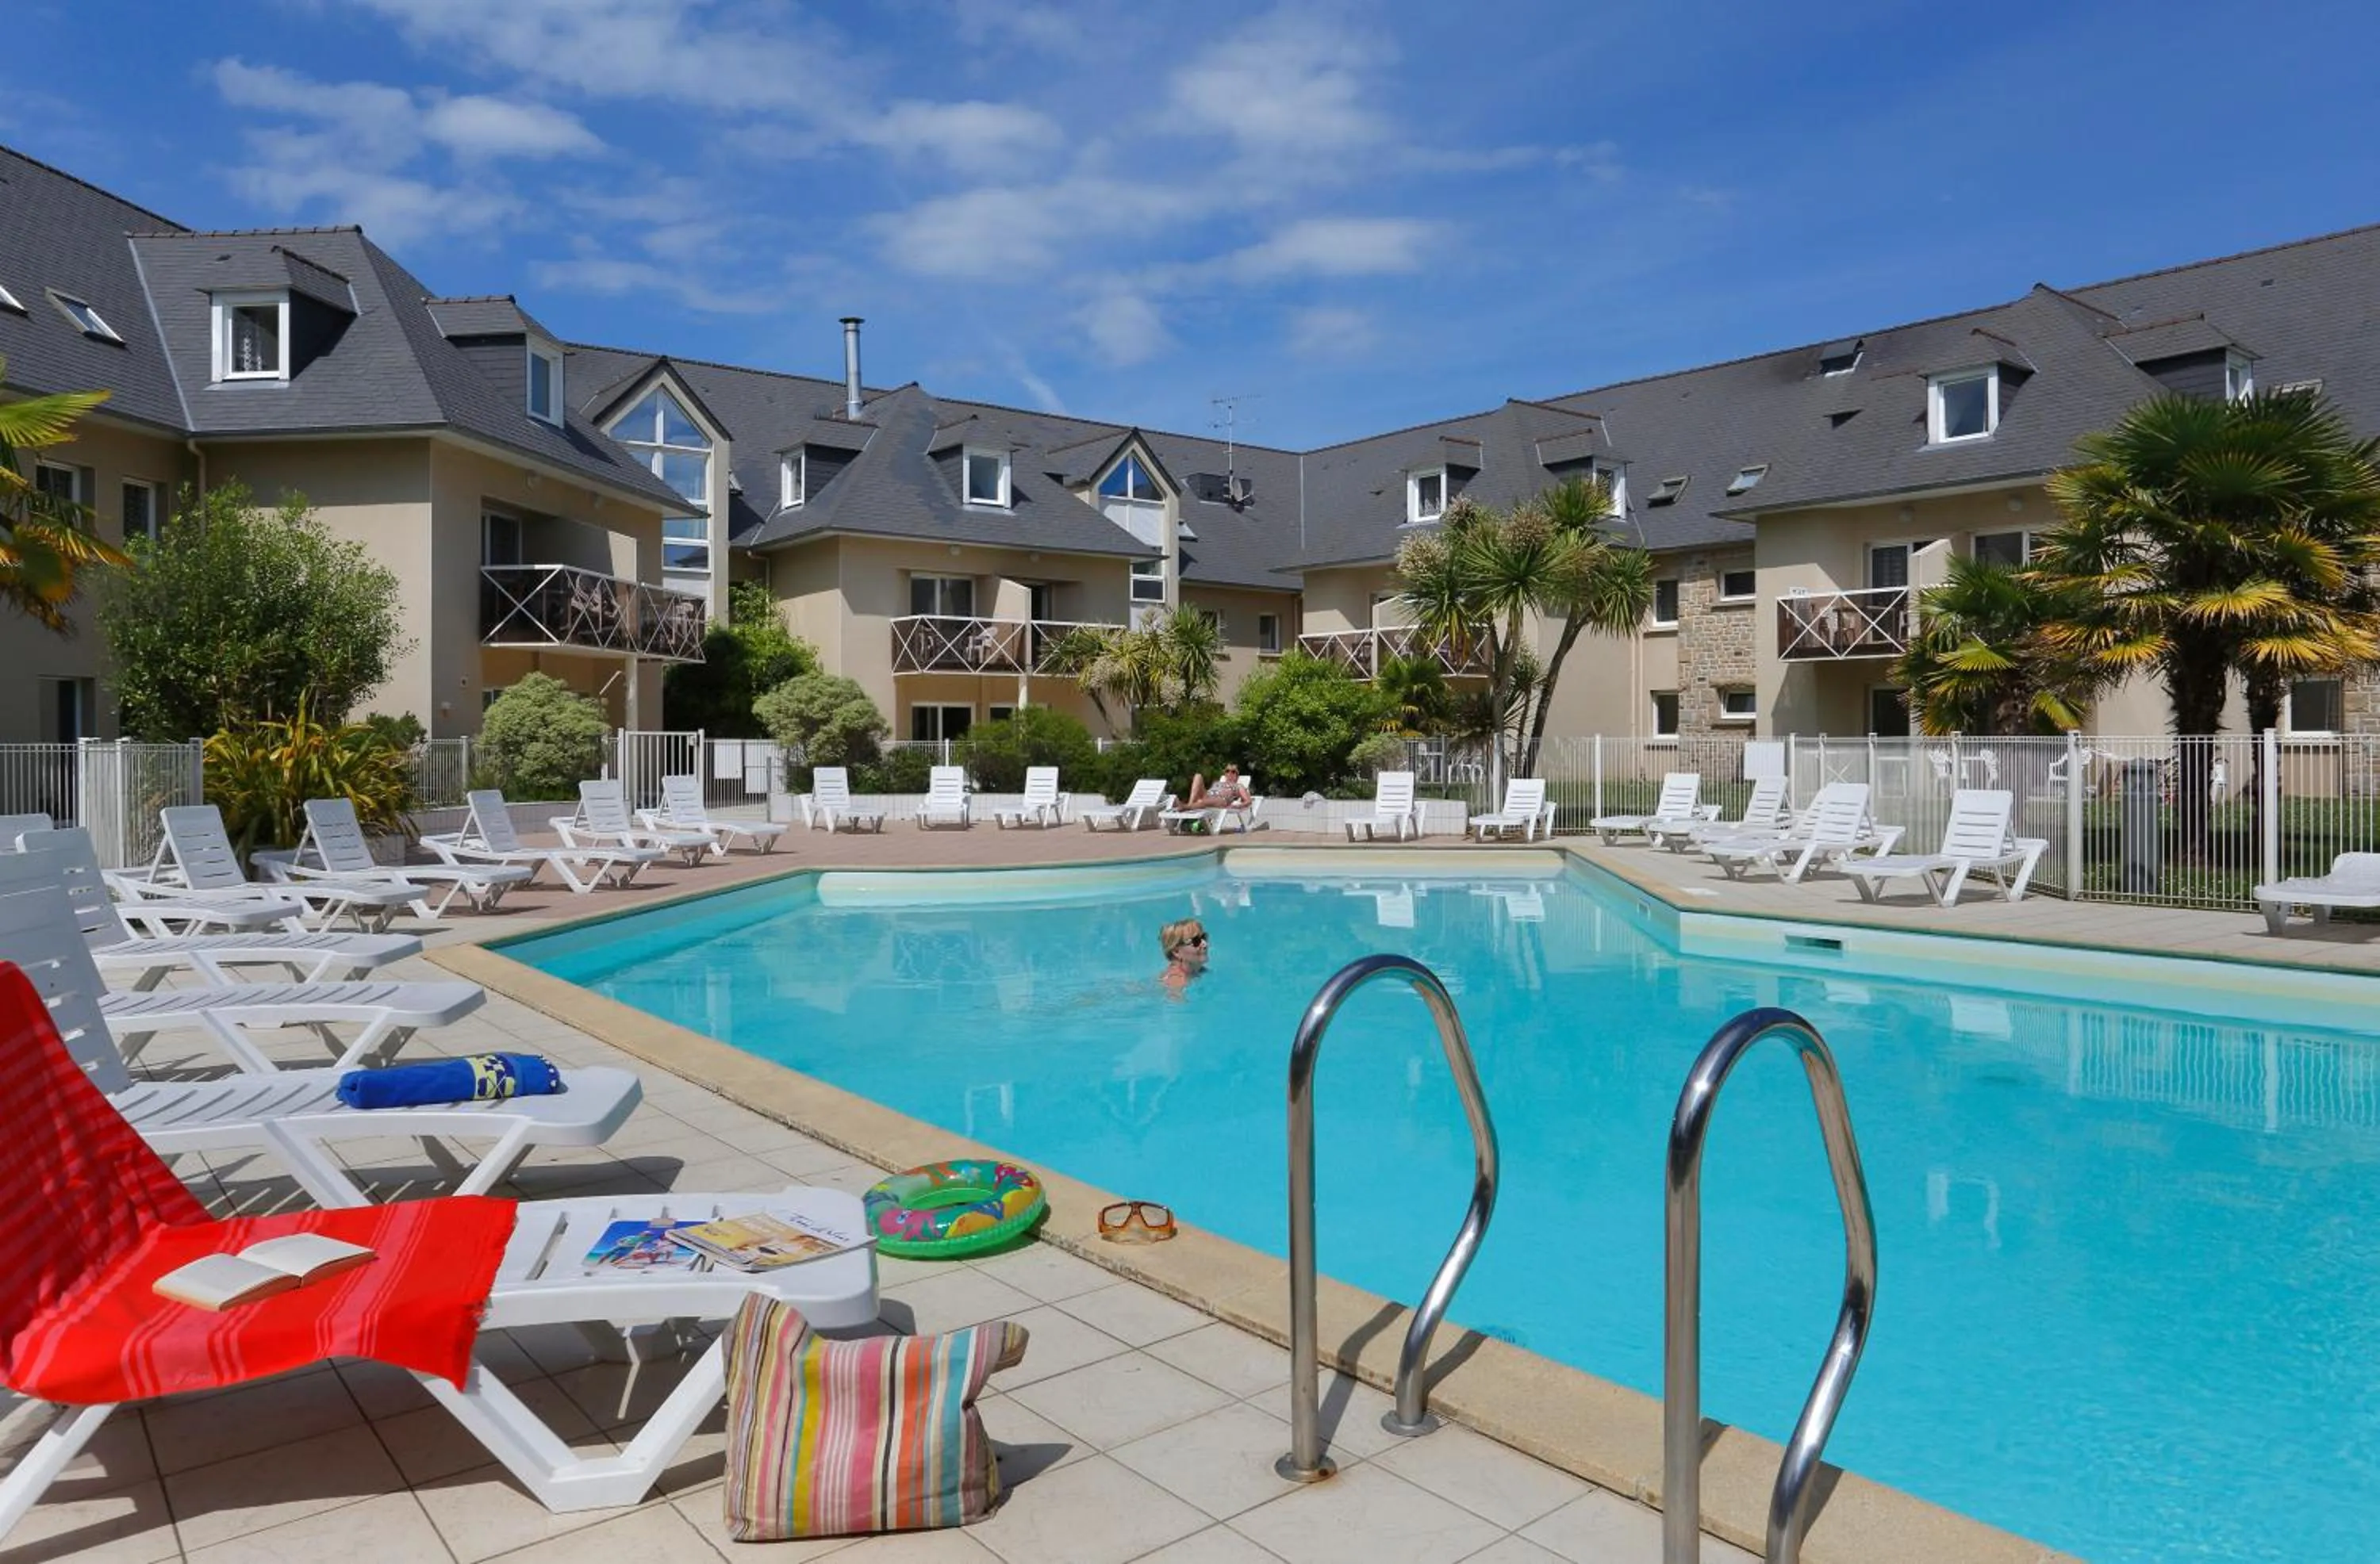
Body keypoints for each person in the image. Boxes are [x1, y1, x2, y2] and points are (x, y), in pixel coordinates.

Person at [1157, 918, 1209, 995]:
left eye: (1204, 937)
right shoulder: (1176, 980)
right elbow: (1173, 1006)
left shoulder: (1199, 970)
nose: (1205, 944)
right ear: (1176, 952)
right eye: (1196, 941)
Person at [1186, 765, 1251, 812]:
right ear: (1225, 774)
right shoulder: (1218, 783)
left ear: (1237, 775)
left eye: (1233, 771)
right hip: (1207, 796)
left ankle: (1186, 807)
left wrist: (1239, 806)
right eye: (1227, 771)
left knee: (1206, 801)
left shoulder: (1238, 786)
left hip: (1221, 800)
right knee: (1198, 776)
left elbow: (1248, 801)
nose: (1230, 773)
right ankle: (1189, 805)